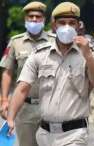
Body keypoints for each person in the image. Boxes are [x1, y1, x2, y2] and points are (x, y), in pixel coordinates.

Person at [6, 2, 94, 146]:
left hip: (75, 133)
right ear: (54, 25)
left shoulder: (88, 53)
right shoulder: (39, 54)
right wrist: (10, 118)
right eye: (62, 23)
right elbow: (22, 88)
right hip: (45, 134)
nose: (67, 27)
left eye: (71, 23)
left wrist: (88, 57)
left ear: (78, 26)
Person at [0, 1, 55, 146]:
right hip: (25, 107)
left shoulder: (54, 41)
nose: (34, 20)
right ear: (25, 19)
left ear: (44, 20)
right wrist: (4, 100)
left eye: (38, 16)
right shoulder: (15, 42)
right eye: (31, 17)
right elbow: (7, 72)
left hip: (50, 105)